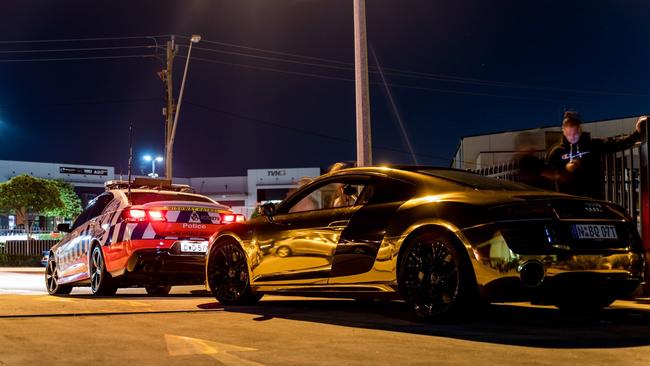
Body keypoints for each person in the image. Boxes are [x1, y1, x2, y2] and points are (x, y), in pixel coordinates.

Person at [546, 112, 646, 199]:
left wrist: (637, 133)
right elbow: (548, 175)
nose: (572, 136)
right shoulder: (557, 152)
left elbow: (615, 143)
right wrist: (566, 170)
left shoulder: (592, 145)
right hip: (568, 200)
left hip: (592, 198)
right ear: (563, 131)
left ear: (580, 130)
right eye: (568, 133)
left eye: (575, 133)